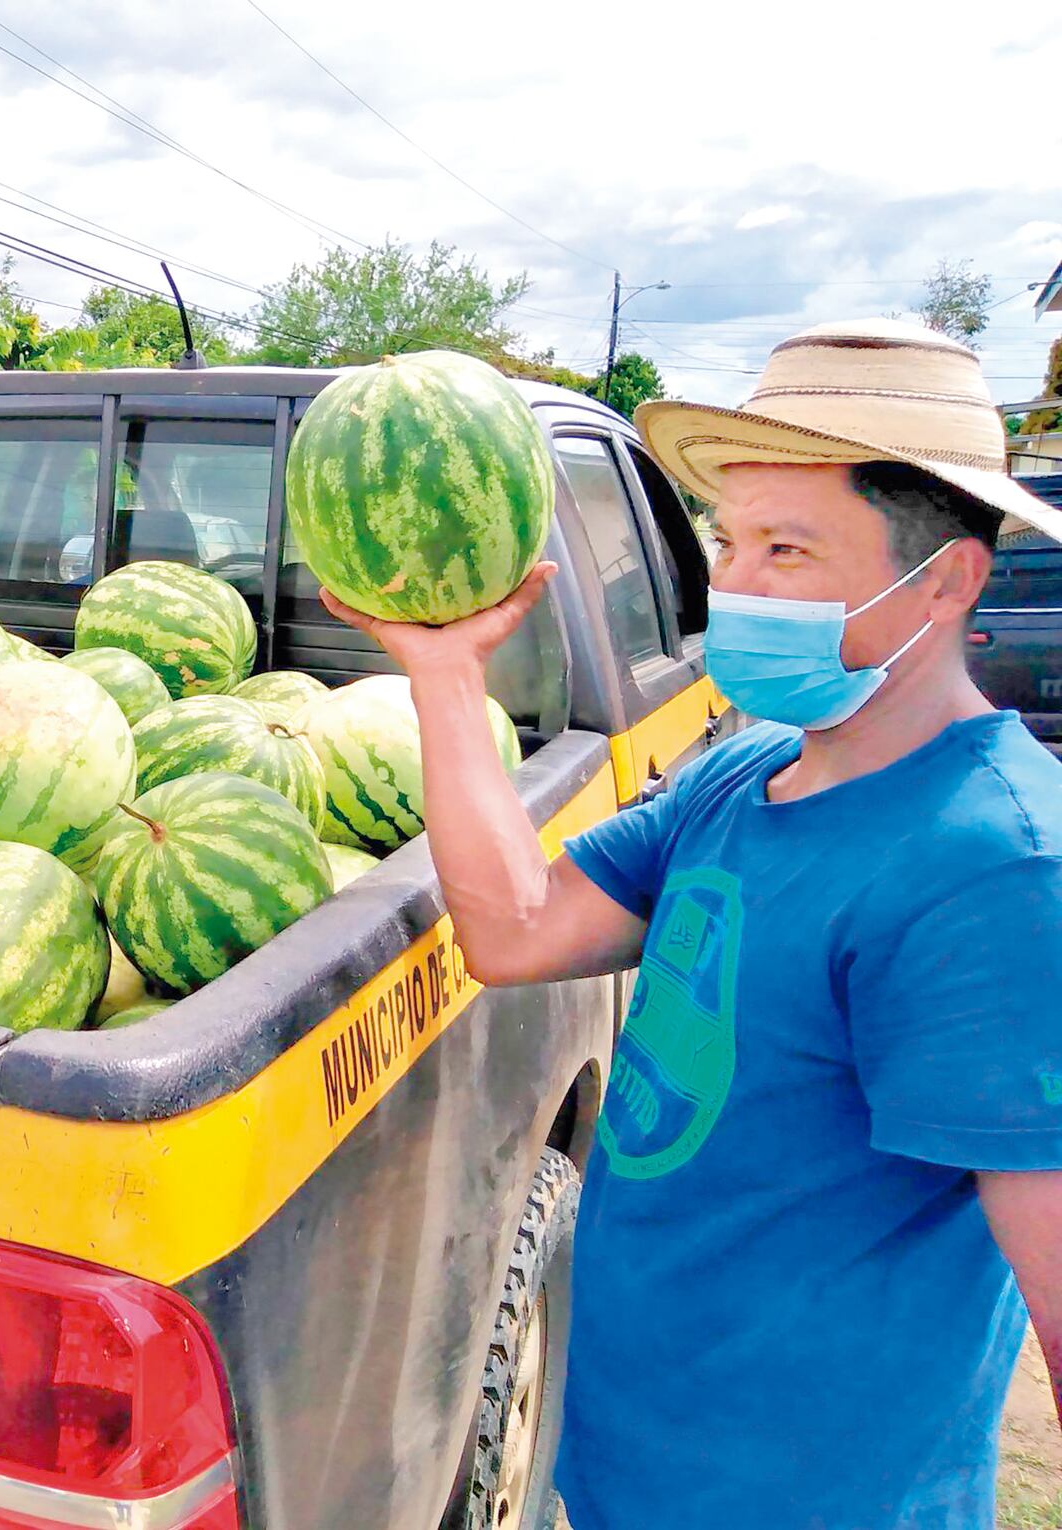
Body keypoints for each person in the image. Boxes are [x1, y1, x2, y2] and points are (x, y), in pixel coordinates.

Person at [321, 319, 1062, 1529]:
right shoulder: (747, 773)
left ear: (946, 580)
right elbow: (511, 931)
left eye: (789, 548)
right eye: (730, 543)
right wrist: (446, 675)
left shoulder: (995, 873)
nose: (739, 587)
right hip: (628, 1471)